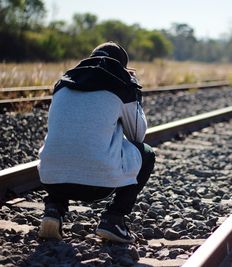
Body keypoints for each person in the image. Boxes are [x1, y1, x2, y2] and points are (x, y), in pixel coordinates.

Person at [37, 41, 155, 243]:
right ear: (122, 66)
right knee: (146, 153)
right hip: (97, 188)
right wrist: (134, 92)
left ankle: (53, 210)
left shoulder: (62, 82)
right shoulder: (121, 83)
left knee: (65, 144)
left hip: (52, 180)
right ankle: (113, 219)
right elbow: (137, 134)